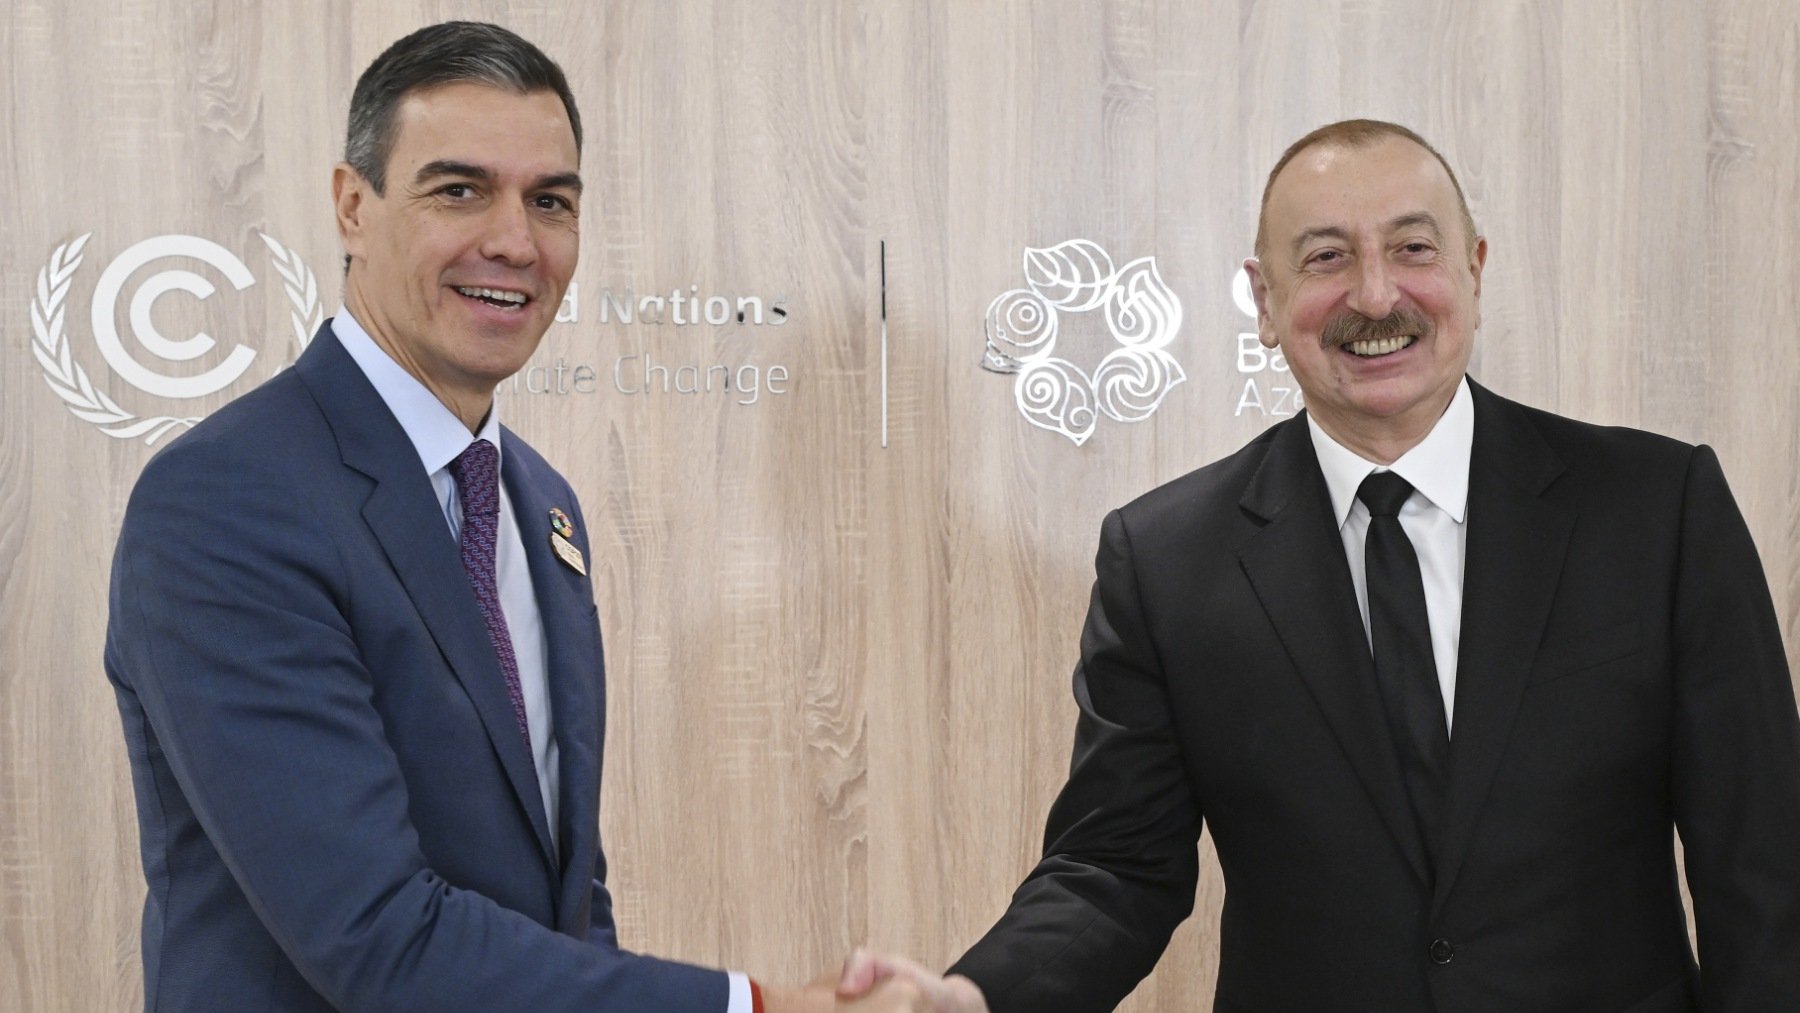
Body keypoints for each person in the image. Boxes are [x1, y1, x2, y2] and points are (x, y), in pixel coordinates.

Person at [852, 120, 1800, 1011]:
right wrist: (976, 998)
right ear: (1264, 302)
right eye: (1326, 258)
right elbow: (1116, 867)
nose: (1377, 295)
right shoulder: (1166, 558)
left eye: (1414, 248)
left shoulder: (1655, 507)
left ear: (1474, 271)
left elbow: (1761, 860)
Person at [105, 21, 932, 1013]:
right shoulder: (230, 499)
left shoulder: (540, 505)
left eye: (551, 201)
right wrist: (760, 1006)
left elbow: (566, 906)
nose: (514, 239)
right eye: (459, 189)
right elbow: (375, 936)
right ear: (353, 207)